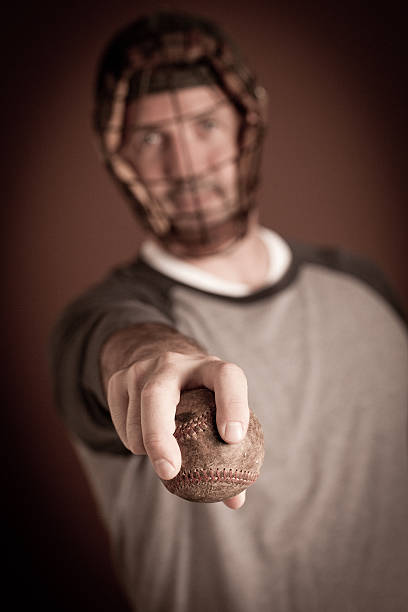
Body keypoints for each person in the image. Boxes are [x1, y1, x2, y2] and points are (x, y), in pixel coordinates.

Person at [51, 11, 408, 612]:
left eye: (206, 123)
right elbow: (119, 346)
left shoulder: (359, 282)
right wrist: (157, 358)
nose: (185, 164)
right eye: (150, 138)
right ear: (119, 159)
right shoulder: (102, 316)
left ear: (248, 124)